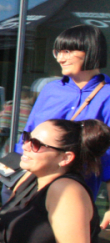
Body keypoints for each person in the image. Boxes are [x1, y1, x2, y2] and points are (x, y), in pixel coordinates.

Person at [16, 24, 110, 220]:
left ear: (91, 50)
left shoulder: (107, 94)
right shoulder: (51, 90)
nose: (60, 58)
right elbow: (28, 133)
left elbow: (108, 155)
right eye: (57, 52)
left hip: (73, 191)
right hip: (32, 184)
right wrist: (19, 177)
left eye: (67, 51)